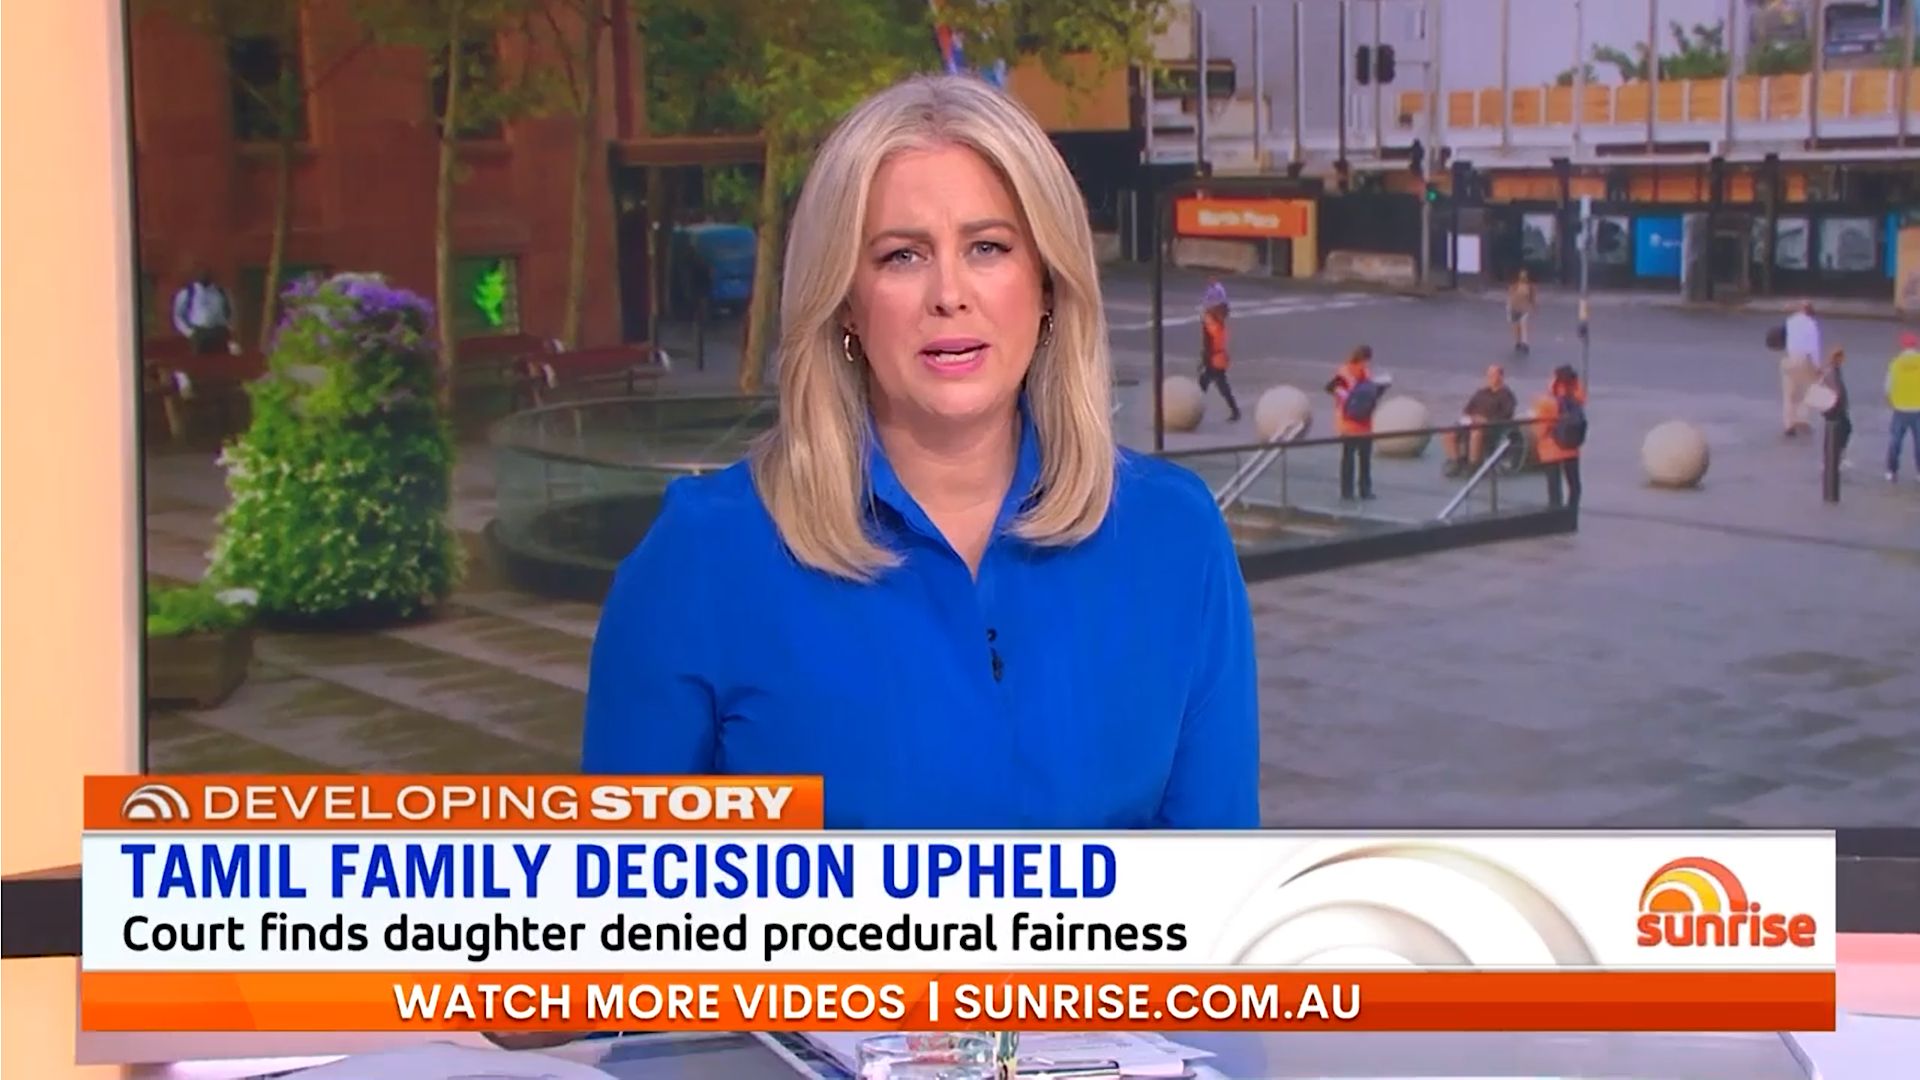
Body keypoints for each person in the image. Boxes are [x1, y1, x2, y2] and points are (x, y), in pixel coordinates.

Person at [579, 74, 1258, 831]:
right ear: (845, 301)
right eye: (902, 256)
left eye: (988, 247)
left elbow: (1217, 883)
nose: (949, 293)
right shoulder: (701, 560)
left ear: (1046, 285)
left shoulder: (1175, 535)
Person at [1441, 364, 1518, 477]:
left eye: (1492, 375)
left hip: (1492, 427)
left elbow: (1507, 415)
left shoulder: (1506, 395)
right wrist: (1472, 417)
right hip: (1471, 423)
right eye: (1488, 375)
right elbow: (1467, 410)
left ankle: (1474, 464)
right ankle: (1455, 461)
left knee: (1476, 433)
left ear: (1501, 377)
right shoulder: (1481, 393)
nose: (1489, 378)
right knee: (1449, 433)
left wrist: (1486, 420)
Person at [1326, 345, 1381, 500]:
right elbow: (1331, 388)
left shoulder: (1365, 373)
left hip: (1364, 422)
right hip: (1349, 421)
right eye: (1366, 360)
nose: (1367, 364)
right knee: (1349, 458)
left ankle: (1364, 489)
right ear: (1362, 358)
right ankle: (1348, 491)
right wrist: (1347, 396)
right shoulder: (1344, 372)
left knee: (1364, 458)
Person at [1533, 364, 1587, 511]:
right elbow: (1582, 395)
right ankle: (1572, 512)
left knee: (1554, 487)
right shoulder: (1576, 400)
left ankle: (1556, 514)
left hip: (1551, 448)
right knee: (1574, 484)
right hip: (1571, 447)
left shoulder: (1548, 402)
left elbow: (1540, 429)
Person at [1781, 300, 1821, 438]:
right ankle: (1802, 420)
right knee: (1806, 391)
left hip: (1790, 359)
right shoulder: (1811, 324)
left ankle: (1789, 424)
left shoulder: (1790, 321)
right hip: (1805, 360)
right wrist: (1817, 366)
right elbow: (1814, 348)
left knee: (1789, 394)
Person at [171, 269, 233, 355]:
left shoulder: (221, 292)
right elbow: (178, 315)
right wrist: (190, 332)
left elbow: (231, 311)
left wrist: (228, 328)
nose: (204, 275)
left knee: (221, 360)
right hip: (199, 334)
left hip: (219, 332)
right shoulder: (187, 292)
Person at [1198, 300, 1241, 422]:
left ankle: (1194, 406)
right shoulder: (1216, 325)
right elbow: (1211, 343)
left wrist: (1204, 360)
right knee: (1212, 384)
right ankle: (1235, 411)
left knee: (1209, 384)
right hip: (1217, 359)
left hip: (1215, 359)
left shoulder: (1213, 324)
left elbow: (1209, 344)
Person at [1887, 332, 1920, 483]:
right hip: (1918, 408)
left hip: (1900, 408)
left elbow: (1888, 387)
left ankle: (1892, 471)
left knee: (1895, 441)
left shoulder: (1895, 363)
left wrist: (1891, 401)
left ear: (1903, 346)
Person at [1816, 347, 1852, 472]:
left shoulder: (1834, 369)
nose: (1843, 360)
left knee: (1842, 430)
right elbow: (1837, 390)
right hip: (1834, 407)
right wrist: (1842, 404)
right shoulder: (1832, 371)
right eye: (1841, 357)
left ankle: (1834, 457)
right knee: (1841, 431)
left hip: (1834, 407)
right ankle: (1833, 458)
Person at [1506, 270, 1536, 355]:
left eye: (1525, 276)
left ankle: (1525, 343)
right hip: (1514, 308)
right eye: (1522, 276)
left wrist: (1534, 308)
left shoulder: (1530, 287)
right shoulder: (1514, 286)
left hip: (1523, 309)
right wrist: (1509, 307)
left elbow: (1532, 298)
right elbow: (1510, 297)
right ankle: (1518, 342)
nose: (1523, 278)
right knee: (1516, 327)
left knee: (1523, 325)